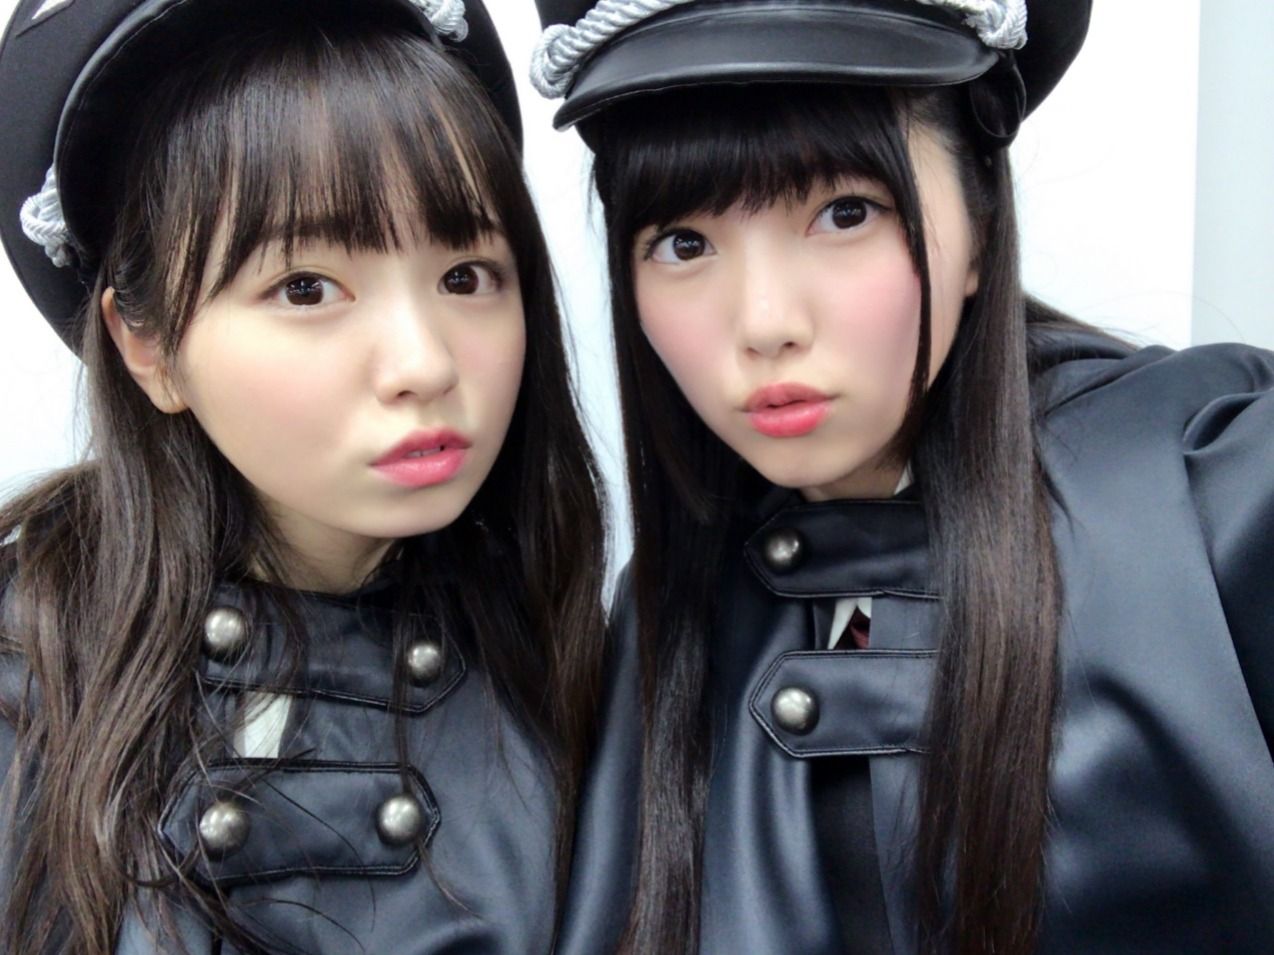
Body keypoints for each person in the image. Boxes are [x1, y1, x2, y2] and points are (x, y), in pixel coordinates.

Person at [530, 1, 1274, 952]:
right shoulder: (662, 620)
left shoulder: (1212, 489)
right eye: (684, 243)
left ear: (981, 214)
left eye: (846, 212)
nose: (764, 321)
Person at [0, 0, 606, 952]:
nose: (424, 364)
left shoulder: (570, 663)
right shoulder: (29, 681)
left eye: (465, 275)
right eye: (306, 288)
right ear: (145, 344)